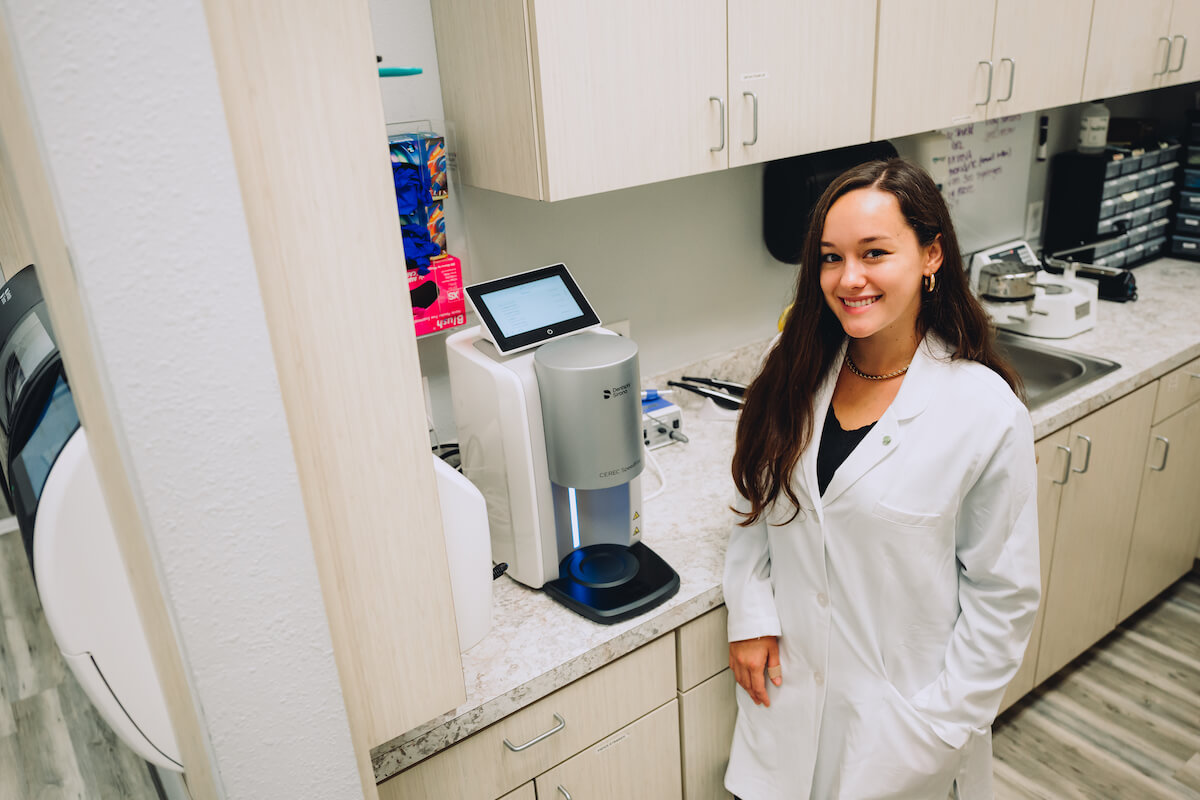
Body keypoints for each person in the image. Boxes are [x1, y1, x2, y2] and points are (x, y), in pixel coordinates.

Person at [723, 158, 1040, 800]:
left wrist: (938, 727)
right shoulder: (794, 373)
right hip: (784, 710)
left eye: (874, 253)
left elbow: (1003, 595)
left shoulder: (982, 410)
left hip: (905, 733)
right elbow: (757, 505)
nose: (850, 278)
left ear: (931, 256)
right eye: (831, 258)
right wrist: (751, 613)